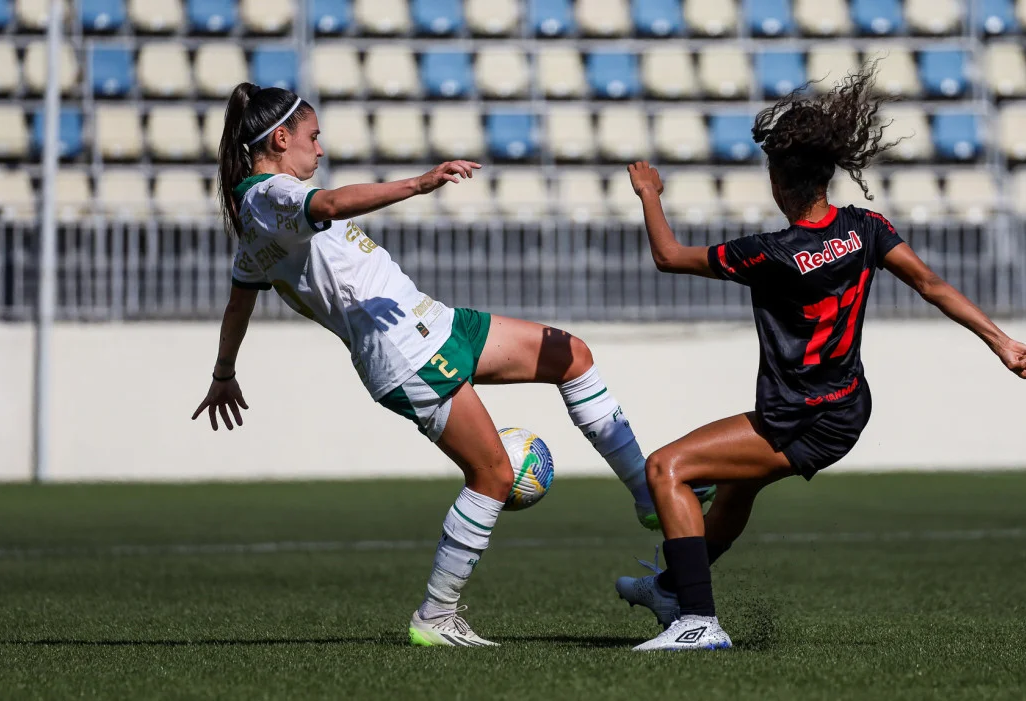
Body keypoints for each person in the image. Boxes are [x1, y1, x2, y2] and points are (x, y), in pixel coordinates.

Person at [190, 83, 712, 647]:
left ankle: (644, 494)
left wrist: (224, 372)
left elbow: (240, 299)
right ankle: (435, 616)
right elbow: (333, 205)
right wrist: (421, 182)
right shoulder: (270, 196)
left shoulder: (257, 224)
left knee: (571, 354)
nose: (320, 150)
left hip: (434, 323)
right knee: (492, 475)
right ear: (281, 138)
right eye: (313, 138)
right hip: (406, 355)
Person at [614, 69, 1026, 652]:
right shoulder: (865, 228)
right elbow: (931, 284)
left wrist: (648, 194)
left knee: (667, 468)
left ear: (779, 184)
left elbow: (667, 256)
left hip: (799, 414)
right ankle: (671, 586)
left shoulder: (770, 254)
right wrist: (1001, 341)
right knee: (738, 489)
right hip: (845, 408)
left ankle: (697, 621)